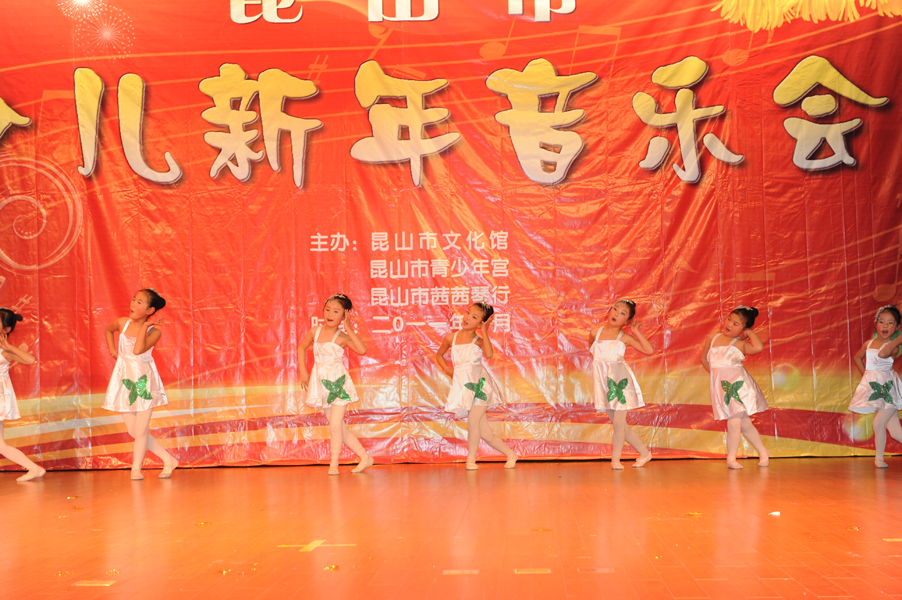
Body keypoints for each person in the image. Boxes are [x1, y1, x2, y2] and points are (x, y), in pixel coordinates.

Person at [103, 289, 178, 479]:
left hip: (144, 382)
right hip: (125, 381)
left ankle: (135, 468)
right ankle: (168, 460)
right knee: (133, 431)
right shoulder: (122, 323)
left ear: (150, 310)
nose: (133, 304)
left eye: (139, 302)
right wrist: (113, 352)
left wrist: (144, 327)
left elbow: (137, 350)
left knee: (141, 430)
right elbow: (108, 330)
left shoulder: (155, 332)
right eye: (134, 300)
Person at [435, 302, 517, 470]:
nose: (467, 318)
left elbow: (489, 354)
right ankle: (511, 454)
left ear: (481, 323)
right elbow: (439, 355)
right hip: (466, 387)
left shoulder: (478, 340)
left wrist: (485, 331)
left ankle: (471, 460)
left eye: (474, 317)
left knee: (473, 422)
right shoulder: (451, 338)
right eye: (468, 313)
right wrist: (447, 370)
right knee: (485, 433)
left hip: (481, 386)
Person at [299, 294, 373, 475]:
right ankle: (365, 457)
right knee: (338, 426)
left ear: (344, 315)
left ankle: (334, 464)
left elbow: (362, 350)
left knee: (335, 426)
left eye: (336, 311)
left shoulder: (342, 337)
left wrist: (348, 328)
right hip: (322, 385)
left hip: (338, 385)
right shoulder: (315, 331)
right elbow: (301, 347)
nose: (330, 314)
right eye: (327, 310)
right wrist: (303, 372)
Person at [700, 305, 770, 469]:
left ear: (743, 329)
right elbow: (704, 358)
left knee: (734, 422)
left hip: (738, 387)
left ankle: (731, 458)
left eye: (736, 324)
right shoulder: (713, 338)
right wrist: (716, 377)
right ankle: (763, 451)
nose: (729, 324)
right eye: (729, 319)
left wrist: (749, 333)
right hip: (723, 387)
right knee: (744, 424)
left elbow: (758, 347)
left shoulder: (739, 344)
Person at [589, 299, 654, 469]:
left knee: (619, 425)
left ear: (627, 321)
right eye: (615, 309)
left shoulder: (624, 338)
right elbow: (594, 353)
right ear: (609, 310)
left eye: (623, 313)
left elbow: (649, 350)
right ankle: (645, 453)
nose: (617, 314)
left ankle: (615, 460)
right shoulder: (595, 333)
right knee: (621, 426)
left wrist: (636, 332)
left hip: (620, 385)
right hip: (605, 385)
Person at [849, 305, 902, 468]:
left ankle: (879, 459)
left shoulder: (893, 346)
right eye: (882, 321)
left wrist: (900, 339)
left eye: (891, 323)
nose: (885, 326)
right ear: (876, 323)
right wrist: (867, 376)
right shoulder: (869, 343)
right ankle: (879, 459)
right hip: (877, 389)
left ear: (897, 327)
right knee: (895, 431)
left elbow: (882, 354)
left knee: (878, 424)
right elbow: (857, 357)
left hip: (889, 390)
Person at [0, 308, 45, 482]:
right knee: (1, 446)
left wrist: (10, 347)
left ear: (6, 329)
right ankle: (34, 468)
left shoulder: (5, 351)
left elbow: (30, 360)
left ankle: (34, 469)